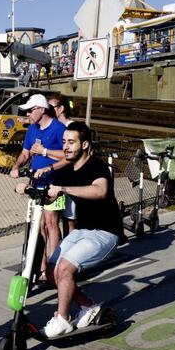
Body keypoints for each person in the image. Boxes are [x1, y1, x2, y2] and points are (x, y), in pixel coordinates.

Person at [28, 122, 123, 337]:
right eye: (64, 142)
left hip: (105, 232)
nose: (66, 147)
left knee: (65, 269)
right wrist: (31, 189)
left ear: (85, 144)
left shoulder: (97, 166)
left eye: (71, 142)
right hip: (82, 231)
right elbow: (53, 194)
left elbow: (100, 191)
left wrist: (63, 188)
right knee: (51, 273)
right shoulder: (67, 169)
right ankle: (88, 306)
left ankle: (62, 319)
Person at [10, 93, 66, 282]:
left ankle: (52, 266)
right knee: (38, 223)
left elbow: (68, 156)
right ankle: (40, 267)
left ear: (41, 109)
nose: (27, 114)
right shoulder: (32, 129)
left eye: (30, 110)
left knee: (51, 223)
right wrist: (16, 166)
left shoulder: (59, 128)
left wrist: (44, 152)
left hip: (54, 181)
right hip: (36, 182)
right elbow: (25, 152)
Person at [40, 94, 77, 235]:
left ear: (61, 108)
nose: (47, 110)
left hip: (70, 180)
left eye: (51, 107)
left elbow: (71, 156)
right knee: (50, 221)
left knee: (69, 220)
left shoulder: (71, 127)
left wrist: (45, 152)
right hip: (54, 179)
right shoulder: (50, 127)